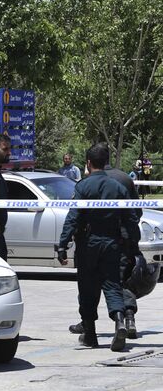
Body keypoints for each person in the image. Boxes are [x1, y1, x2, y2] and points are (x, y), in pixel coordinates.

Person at [57, 143, 140, 351]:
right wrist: (132, 245)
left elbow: (73, 218)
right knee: (112, 285)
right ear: (105, 162)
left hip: (88, 244)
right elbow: (131, 218)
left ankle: (90, 335)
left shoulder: (83, 186)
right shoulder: (119, 187)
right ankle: (119, 321)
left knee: (87, 288)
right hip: (112, 243)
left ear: (88, 163)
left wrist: (62, 245)